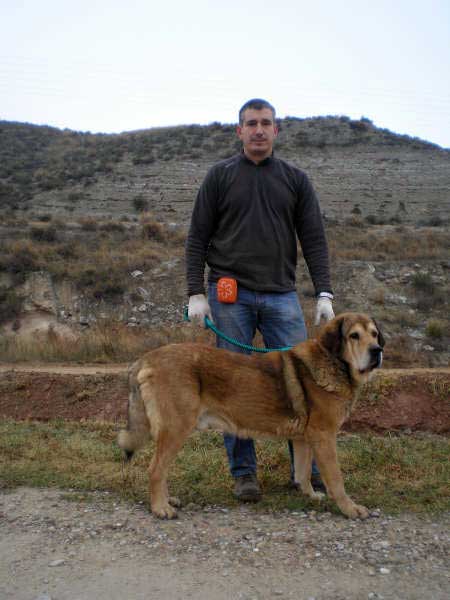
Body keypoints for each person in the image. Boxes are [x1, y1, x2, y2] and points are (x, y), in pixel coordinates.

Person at [185, 98, 334, 502]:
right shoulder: (219, 177)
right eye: (251, 123)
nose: (258, 130)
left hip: (281, 296)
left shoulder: (295, 180)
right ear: (239, 131)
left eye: (266, 123)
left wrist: (324, 290)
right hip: (230, 296)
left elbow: (314, 239)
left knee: (301, 385)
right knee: (232, 386)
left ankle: (307, 474)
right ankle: (244, 474)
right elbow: (197, 236)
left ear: (276, 130)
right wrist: (195, 292)